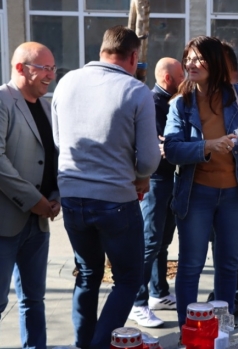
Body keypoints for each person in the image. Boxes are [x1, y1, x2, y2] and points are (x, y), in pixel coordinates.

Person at [52, 25, 160, 349]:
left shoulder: (66, 81)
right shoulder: (136, 90)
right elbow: (150, 158)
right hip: (115, 199)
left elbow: (61, 142)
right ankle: (100, 345)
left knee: (87, 275)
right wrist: (140, 176)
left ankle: (83, 344)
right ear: (133, 56)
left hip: (72, 196)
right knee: (127, 279)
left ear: (101, 52)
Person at [164, 36, 238, 331]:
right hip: (196, 194)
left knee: (228, 265)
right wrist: (207, 146)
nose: (191, 64)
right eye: (188, 59)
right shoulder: (181, 104)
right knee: (191, 265)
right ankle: (188, 330)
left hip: (235, 193)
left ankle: (223, 329)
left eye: (198, 59)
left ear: (215, 62)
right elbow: (171, 150)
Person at [0, 42, 59, 349]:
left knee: (33, 300)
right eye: (43, 68)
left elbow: (56, 157)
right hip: (5, 223)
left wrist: (56, 194)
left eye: (53, 68)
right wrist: (34, 200)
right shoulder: (2, 99)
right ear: (21, 68)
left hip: (38, 225)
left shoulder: (48, 107)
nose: (50, 75)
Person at [128, 57, 184, 328]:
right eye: (181, 76)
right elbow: (160, 142)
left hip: (167, 179)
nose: (186, 80)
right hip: (154, 181)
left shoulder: (169, 102)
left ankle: (158, 292)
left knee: (162, 240)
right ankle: (136, 302)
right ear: (167, 79)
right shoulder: (152, 103)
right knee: (150, 241)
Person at [205, 42, 238, 317]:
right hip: (209, 186)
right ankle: (225, 292)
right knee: (221, 243)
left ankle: (233, 295)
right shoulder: (204, 93)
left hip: (236, 184)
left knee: (237, 243)